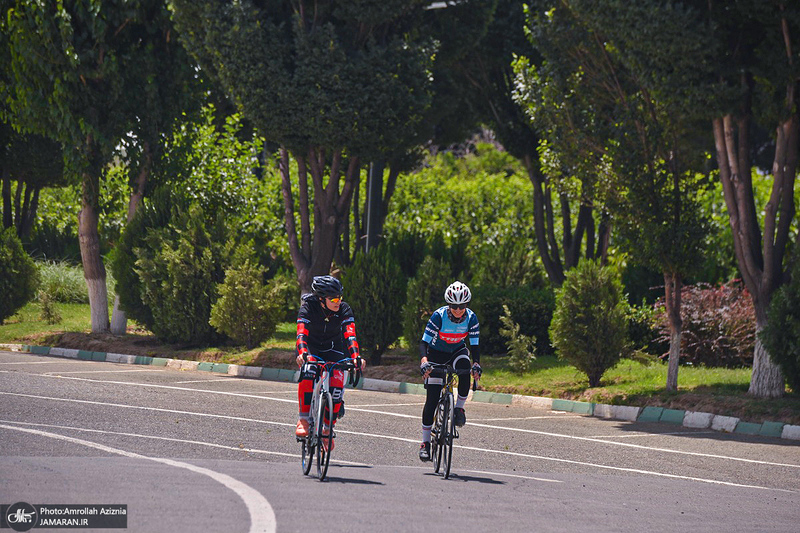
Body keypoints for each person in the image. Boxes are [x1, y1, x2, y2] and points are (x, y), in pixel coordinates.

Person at [294, 275, 365, 453]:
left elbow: (350, 335)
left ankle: (327, 428)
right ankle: (303, 419)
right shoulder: (308, 307)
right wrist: (303, 354)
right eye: (333, 299)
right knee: (309, 371)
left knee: (337, 388)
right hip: (310, 348)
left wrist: (356, 357)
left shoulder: (344, 309)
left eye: (340, 297)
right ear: (321, 299)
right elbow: (301, 334)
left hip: (333, 348)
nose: (338, 301)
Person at [418, 280, 481, 461]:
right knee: (431, 400)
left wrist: (476, 364)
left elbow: (475, 345)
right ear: (449, 304)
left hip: (457, 351)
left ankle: (459, 409)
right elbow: (424, 342)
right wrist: (424, 362)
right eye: (454, 306)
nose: (458, 310)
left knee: (465, 367)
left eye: (462, 306)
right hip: (436, 354)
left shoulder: (471, 318)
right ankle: (425, 443)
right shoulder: (439, 316)